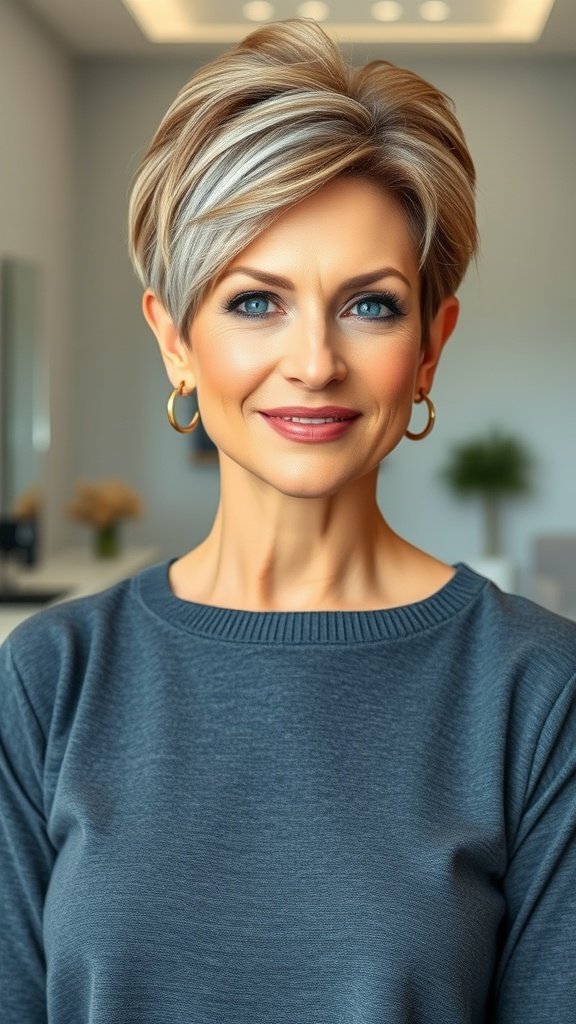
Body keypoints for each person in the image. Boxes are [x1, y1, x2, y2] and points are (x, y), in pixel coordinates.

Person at [1, 18, 575, 1023]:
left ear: (431, 346)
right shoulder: (48, 681)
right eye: (257, 302)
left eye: (371, 306)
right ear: (175, 339)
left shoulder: (537, 695)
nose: (314, 361)